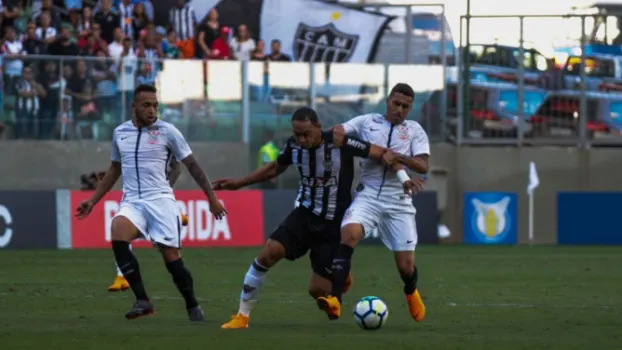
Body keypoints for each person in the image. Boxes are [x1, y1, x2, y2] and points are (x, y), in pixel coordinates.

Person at [214, 107, 423, 329]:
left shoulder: (341, 143)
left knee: (316, 290)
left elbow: (382, 153)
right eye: (297, 134)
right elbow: (276, 167)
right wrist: (239, 183)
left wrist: (403, 177)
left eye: (306, 134)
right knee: (268, 253)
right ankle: (242, 316)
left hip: (334, 224)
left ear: (318, 127)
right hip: (304, 214)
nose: (302, 140)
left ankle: (341, 279)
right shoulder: (293, 146)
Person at [75, 84, 227, 321]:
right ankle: (143, 300)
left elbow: (192, 165)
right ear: (133, 106)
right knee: (117, 232)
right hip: (133, 200)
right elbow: (114, 169)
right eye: (146, 105)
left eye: (155, 105)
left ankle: (192, 305)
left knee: (172, 262)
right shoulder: (120, 133)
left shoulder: (168, 131)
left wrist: (212, 198)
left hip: (161, 200)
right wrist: (92, 201)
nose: (152, 110)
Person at [317, 83, 430, 323]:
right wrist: (335, 132)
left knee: (406, 267)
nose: (399, 109)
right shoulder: (367, 121)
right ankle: (335, 299)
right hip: (367, 196)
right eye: (396, 103)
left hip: (399, 200)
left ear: (410, 109)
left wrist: (397, 157)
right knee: (348, 234)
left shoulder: (415, 131)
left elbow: (423, 165)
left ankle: (410, 291)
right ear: (387, 100)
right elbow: (339, 131)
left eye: (405, 106)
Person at [107, 159, 188, 292]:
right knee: (121, 234)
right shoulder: (131, 146)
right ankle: (121, 276)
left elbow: (177, 168)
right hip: (135, 198)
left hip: (157, 198)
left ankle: (178, 217)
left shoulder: (162, 143)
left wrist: (165, 188)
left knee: (167, 250)